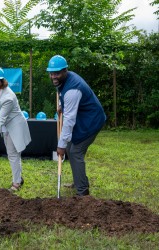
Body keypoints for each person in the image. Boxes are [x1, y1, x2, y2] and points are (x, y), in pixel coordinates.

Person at [47, 55, 106, 196]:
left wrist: (60, 145)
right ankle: (79, 180)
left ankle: (82, 192)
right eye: (51, 73)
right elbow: (65, 97)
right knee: (70, 147)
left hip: (92, 121)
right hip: (83, 117)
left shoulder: (73, 90)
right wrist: (62, 104)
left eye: (57, 73)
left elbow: (69, 121)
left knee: (75, 151)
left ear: (65, 70)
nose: (54, 76)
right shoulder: (65, 80)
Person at [0, 66, 31, 192]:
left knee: (12, 154)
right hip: (7, 126)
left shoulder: (8, 97)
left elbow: (1, 119)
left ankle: (16, 183)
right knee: (13, 154)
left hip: (14, 126)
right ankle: (19, 178)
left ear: (2, 81)